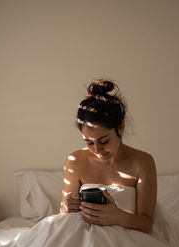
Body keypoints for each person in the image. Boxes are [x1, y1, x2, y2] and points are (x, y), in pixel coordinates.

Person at [60, 79, 157, 233]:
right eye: (89, 143)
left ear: (121, 127)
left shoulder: (142, 162)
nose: (97, 149)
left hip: (129, 241)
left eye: (103, 141)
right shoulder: (75, 161)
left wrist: (118, 217)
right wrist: (67, 207)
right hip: (82, 237)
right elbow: (64, 215)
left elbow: (146, 223)